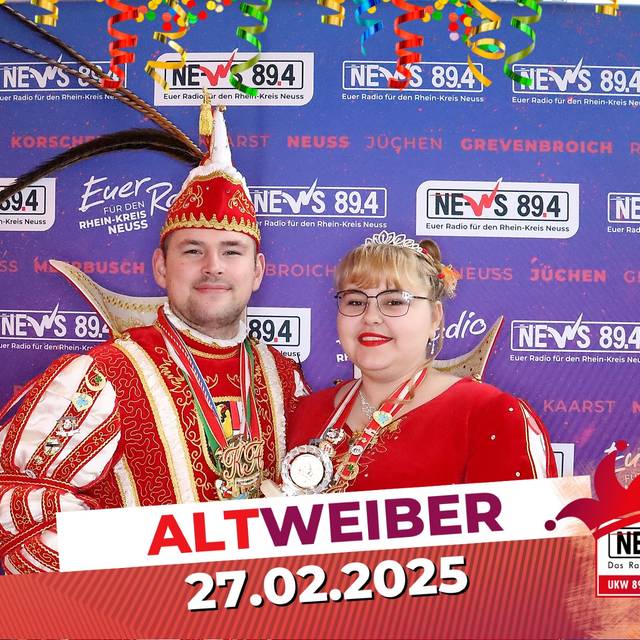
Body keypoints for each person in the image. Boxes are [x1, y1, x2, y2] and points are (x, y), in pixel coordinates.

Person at [0, 107, 307, 574]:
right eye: (192, 250)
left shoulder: (283, 377)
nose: (213, 267)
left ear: (257, 271)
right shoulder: (108, 376)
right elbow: (13, 499)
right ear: (161, 267)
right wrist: (136, 581)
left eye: (232, 251)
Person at [284, 231, 556, 495]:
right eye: (355, 301)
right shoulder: (306, 413)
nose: (371, 317)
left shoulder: (489, 415)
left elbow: (527, 527)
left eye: (394, 301)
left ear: (435, 317)